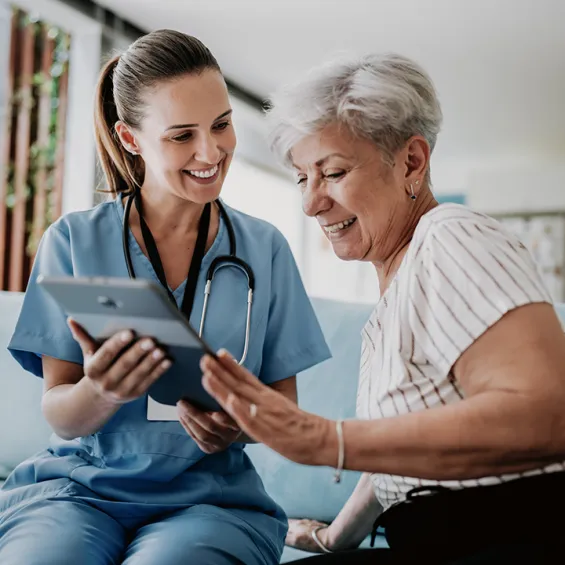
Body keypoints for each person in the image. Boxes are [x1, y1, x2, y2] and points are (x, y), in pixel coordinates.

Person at [198, 53, 565, 564]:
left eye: (334, 172)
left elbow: (549, 415)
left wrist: (328, 439)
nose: (310, 204)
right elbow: (403, 461)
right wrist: (332, 539)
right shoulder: (401, 283)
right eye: (303, 178)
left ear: (411, 161)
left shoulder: (451, 237)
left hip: (503, 534)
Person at [0, 29, 331, 565]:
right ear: (131, 139)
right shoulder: (72, 242)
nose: (211, 151)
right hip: (78, 492)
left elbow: (282, 409)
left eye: (221, 125)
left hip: (211, 502)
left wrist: (238, 426)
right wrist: (102, 392)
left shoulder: (263, 249)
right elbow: (60, 413)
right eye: (182, 136)